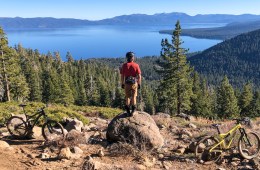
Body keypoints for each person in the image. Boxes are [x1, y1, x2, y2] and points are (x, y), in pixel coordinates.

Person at [120, 52, 141, 116]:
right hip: (134, 83)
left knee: (128, 97)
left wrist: (122, 83)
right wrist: (139, 84)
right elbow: (139, 76)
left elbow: (122, 76)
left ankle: (128, 110)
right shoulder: (136, 65)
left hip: (127, 83)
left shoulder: (124, 65)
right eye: (133, 57)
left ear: (127, 58)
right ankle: (133, 110)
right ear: (132, 58)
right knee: (134, 96)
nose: (133, 58)